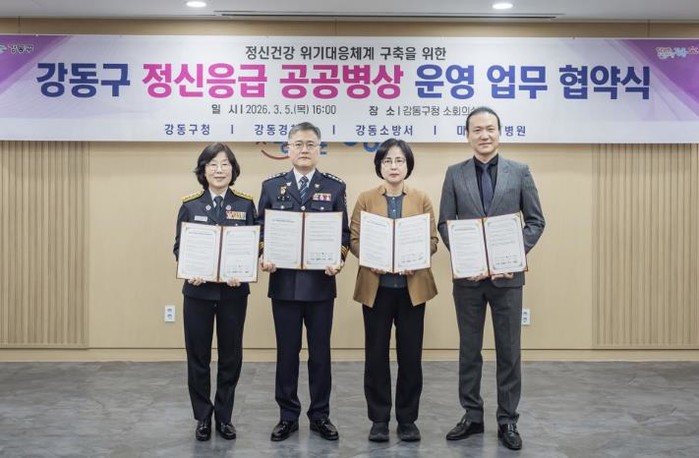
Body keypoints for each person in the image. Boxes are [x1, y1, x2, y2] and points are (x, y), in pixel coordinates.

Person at [438, 107, 545, 450]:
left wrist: (513, 255)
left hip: (507, 278)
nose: (484, 135)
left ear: (499, 132)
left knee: (509, 351)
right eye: (477, 130)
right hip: (468, 280)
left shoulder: (520, 172)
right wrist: (466, 257)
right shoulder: (454, 174)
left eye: (490, 129)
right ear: (467, 135)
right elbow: (445, 223)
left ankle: (507, 420)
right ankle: (472, 415)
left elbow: (536, 221)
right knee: (469, 350)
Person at [257, 122, 350, 442]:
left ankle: (320, 415)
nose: (304, 150)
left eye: (311, 144)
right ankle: (287, 416)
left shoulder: (335, 187)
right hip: (283, 284)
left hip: (320, 285)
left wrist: (339, 259)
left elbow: (344, 233)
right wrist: (264, 254)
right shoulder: (272, 186)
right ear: (288, 148)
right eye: (298, 144)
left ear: (320, 148)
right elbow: (260, 228)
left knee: (320, 354)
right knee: (287, 353)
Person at [349, 138, 439, 443]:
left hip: (412, 289)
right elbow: (354, 239)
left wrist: (416, 259)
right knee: (375, 356)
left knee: (410, 357)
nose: (394, 166)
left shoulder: (421, 198)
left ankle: (407, 419)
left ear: (408, 165)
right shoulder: (365, 199)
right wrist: (371, 258)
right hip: (376, 289)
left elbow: (432, 241)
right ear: (379, 166)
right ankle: (379, 419)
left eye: (399, 160)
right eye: (387, 161)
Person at [173, 143, 257, 441]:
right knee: (198, 356)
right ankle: (202, 416)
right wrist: (189, 268)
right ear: (203, 170)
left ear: (233, 170)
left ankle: (224, 416)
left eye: (225, 164)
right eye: (212, 164)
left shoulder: (245, 204)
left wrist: (243, 269)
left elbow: (253, 245)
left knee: (230, 356)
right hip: (198, 293)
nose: (219, 170)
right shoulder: (190, 205)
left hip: (234, 293)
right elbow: (179, 247)